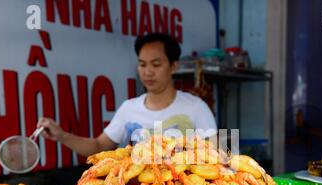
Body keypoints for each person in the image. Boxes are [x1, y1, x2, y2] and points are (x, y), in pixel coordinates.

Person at [37, 32, 217, 157]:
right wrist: (62, 136)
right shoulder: (129, 109)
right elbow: (99, 147)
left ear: (174, 66)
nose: (147, 72)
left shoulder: (195, 108)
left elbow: (219, 155)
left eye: (155, 64)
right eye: (142, 64)